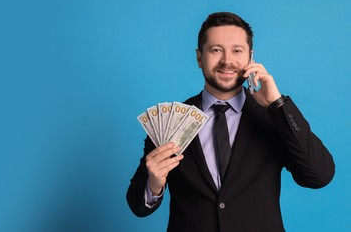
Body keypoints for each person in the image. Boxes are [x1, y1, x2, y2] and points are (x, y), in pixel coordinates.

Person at [126, 12, 335, 232]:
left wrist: (278, 103)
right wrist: (154, 184)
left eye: (237, 51)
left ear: (250, 58)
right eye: (216, 50)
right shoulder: (169, 121)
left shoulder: (274, 118)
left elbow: (319, 176)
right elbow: (138, 206)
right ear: (199, 57)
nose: (227, 61)